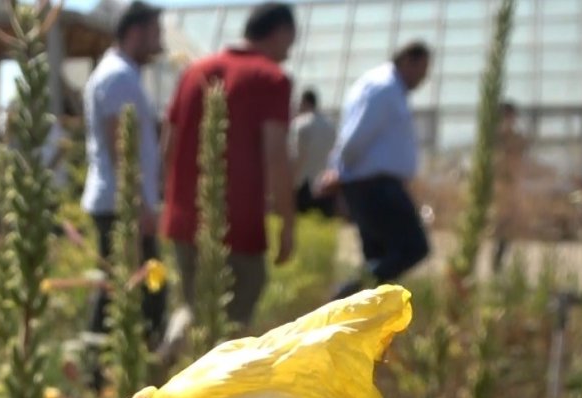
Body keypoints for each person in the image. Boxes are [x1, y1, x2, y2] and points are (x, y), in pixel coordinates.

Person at [162, 2, 297, 327]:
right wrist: (288, 224)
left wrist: (174, 204)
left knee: (192, 310)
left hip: (184, 221)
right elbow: (276, 158)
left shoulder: (194, 72)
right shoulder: (271, 79)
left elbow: (167, 145)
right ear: (281, 33)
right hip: (238, 227)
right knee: (233, 324)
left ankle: (164, 364)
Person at [81, 0, 166, 349]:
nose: (160, 42)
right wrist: (140, 206)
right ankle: (101, 371)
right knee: (130, 291)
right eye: (155, 33)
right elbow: (123, 147)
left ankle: (102, 367)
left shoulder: (120, 73)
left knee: (122, 288)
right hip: (122, 205)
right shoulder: (119, 77)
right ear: (136, 33)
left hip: (120, 202)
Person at [324, 42, 433, 299]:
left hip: (370, 184)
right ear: (408, 59)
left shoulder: (386, 87)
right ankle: (347, 293)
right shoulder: (384, 88)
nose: (424, 78)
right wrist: (338, 170)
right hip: (375, 185)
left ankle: (357, 307)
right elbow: (356, 135)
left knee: (380, 256)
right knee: (414, 247)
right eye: (422, 69)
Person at [492, 101, 528, 272]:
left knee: (507, 230)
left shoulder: (516, 138)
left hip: (511, 188)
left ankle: (498, 266)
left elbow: (520, 157)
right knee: (497, 227)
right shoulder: (495, 138)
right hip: (498, 189)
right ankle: (495, 265)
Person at [290, 88, 336, 218]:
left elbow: (297, 156)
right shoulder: (330, 126)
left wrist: (290, 185)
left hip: (303, 186)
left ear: (305, 102)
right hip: (325, 186)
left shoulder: (300, 124)